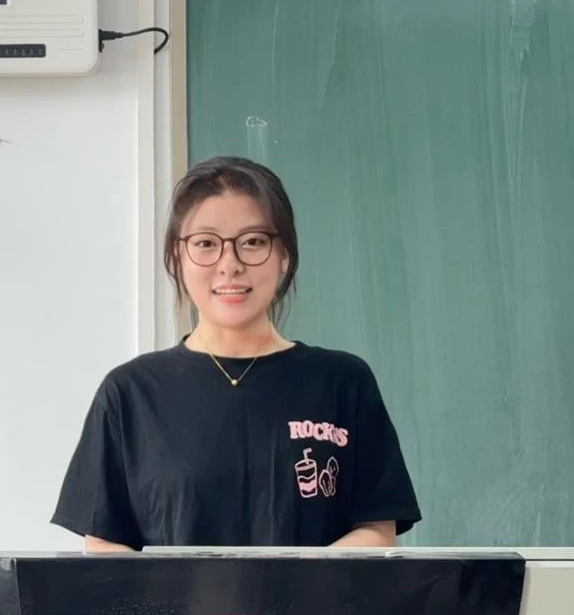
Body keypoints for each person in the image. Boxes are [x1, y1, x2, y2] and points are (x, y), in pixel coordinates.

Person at [51, 156, 421, 551]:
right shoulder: (131, 392)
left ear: (284, 256)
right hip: (176, 599)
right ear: (177, 258)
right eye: (206, 244)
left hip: (315, 597)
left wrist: (293, 585)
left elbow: (378, 531)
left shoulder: (342, 382)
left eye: (253, 242)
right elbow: (105, 544)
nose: (230, 265)